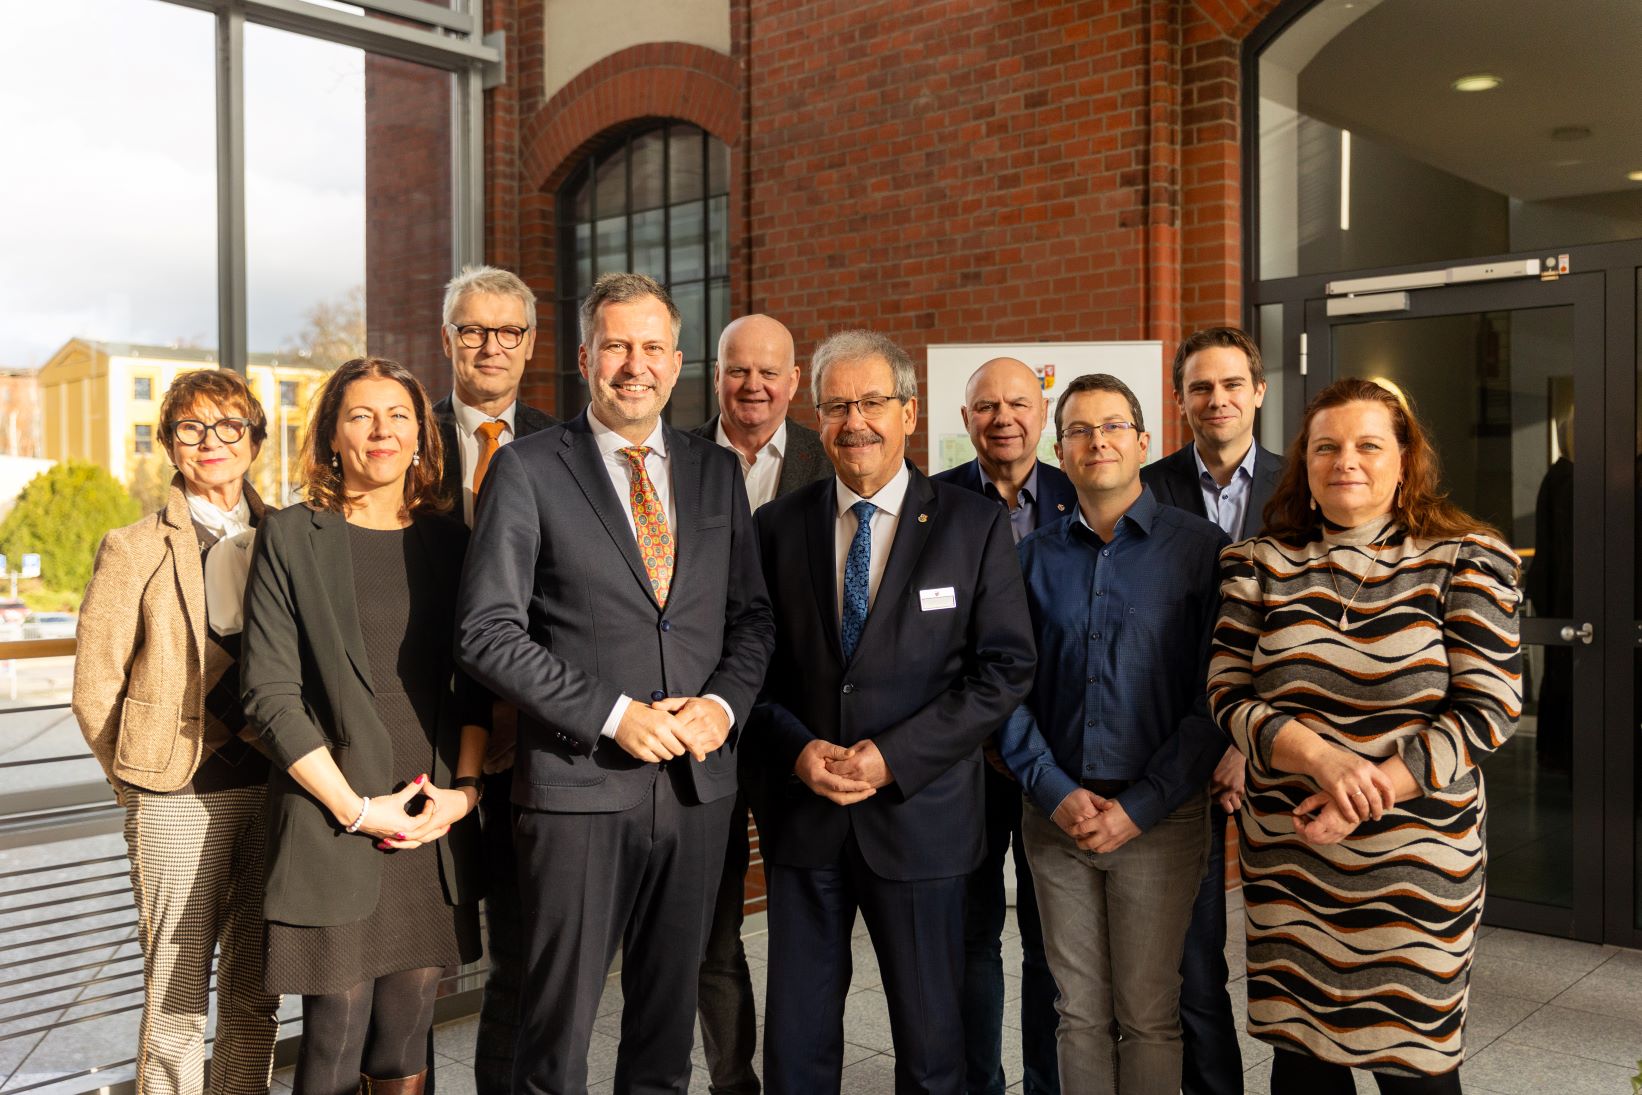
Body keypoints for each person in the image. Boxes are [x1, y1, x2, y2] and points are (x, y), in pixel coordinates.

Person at [455, 272, 774, 1095]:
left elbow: (752, 620)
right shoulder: (526, 470)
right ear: (587, 356)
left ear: (677, 362)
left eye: (653, 347)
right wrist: (613, 713)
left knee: (666, 1031)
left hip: (698, 793)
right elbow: (486, 631)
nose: (636, 364)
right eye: (618, 346)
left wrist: (721, 705)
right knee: (554, 1036)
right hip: (577, 790)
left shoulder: (713, 472)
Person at [1207, 377, 1522, 1094]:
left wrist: (1366, 787)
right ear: (1305, 463)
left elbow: (1489, 706)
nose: (1346, 459)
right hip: (1294, 861)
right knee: (1303, 1064)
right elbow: (1228, 694)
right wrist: (1319, 757)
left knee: (1415, 1069)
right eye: (1327, 446)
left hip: (1414, 868)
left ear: (1405, 460)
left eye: (1368, 444)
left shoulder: (1465, 558)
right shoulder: (1260, 564)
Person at [751, 329, 1036, 1095]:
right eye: (837, 405)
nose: (856, 422)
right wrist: (798, 751)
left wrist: (892, 757)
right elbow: (752, 670)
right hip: (805, 819)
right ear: (818, 417)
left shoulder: (971, 526)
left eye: (873, 401)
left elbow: (1005, 667)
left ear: (909, 412)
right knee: (798, 1043)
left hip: (922, 820)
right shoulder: (776, 528)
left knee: (932, 1044)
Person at [241, 357, 488, 1095]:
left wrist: (465, 794)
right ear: (332, 435)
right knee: (334, 1033)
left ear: (422, 436)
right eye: (360, 415)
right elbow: (270, 695)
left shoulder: (450, 543)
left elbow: (474, 686)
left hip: (427, 814)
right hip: (331, 811)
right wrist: (354, 807)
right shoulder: (292, 535)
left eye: (398, 415)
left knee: (406, 1027)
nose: (381, 430)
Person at [998, 373, 1228, 1095]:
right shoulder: (1031, 559)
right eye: (1078, 430)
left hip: (1160, 821)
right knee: (1077, 1013)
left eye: (1113, 426)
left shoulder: (1201, 552)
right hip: (1056, 819)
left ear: (1144, 440)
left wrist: (1141, 806)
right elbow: (1004, 690)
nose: (1097, 440)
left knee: (1150, 1013)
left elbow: (1215, 698)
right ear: (1058, 451)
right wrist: (1056, 791)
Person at [73, 369, 280, 1095]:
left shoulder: (290, 535)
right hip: (174, 796)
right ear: (169, 443)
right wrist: (136, 782)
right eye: (191, 428)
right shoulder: (131, 546)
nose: (211, 442)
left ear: (255, 436)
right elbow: (96, 684)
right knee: (177, 999)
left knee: (257, 991)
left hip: (277, 788)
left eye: (229, 425)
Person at [1139, 325, 1283, 1094]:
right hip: (1179, 750)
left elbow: (1312, 635)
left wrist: (1247, 741)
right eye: (1201, 386)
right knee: (1194, 956)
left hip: (1279, 753)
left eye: (1232, 384)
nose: (1217, 399)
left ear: (1258, 391)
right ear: (1181, 398)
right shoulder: (1149, 483)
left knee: (1294, 944)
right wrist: (1208, 743)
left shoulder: (1304, 488)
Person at [691, 312, 829, 1095]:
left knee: (806, 913)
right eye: (738, 370)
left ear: (794, 381)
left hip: (798, 725)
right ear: (715, 375)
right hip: (702, 720)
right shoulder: (672, 457)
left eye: (769, 371)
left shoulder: (825, 458)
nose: (753, 385)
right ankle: (734, 1079)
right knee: (713, 922)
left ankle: (802, 1074)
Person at [429, 264, 558, 1095]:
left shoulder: (563, 446)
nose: (490, 346)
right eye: (473, 330)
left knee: (521, 958)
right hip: (419, 740)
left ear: (531, 343)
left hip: (528, 742)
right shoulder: (406, 437)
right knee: (411, 970)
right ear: (448, 339)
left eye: (508, 331)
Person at [931, 355, 1073, 1095]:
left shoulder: (1082, 496)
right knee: (972, 939)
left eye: (1018, 403)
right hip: (967, 762)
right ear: (965, 421)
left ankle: (1045, 1085)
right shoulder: (934, 502)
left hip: (1058, 760)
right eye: (986, 406)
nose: (1003, 418)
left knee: (1052, 946)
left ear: (1042, 415)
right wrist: (981, 732)